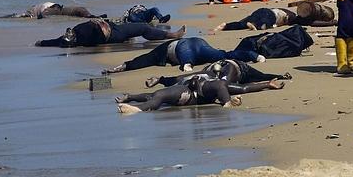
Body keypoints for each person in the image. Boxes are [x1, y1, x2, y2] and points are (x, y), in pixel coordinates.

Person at [116, 75, 284, 113]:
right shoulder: (218, 83)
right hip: (188, 96)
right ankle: (132, 103)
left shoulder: (216, 82)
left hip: (188, 92)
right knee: (156, 96)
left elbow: (243, 88)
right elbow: (245, 88)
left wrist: (267, 84)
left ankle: (135, 109)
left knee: (159, 96)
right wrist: (131, 95)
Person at [103, 37, 265, 73]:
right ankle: (252, 55)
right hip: (198, 43)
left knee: (188, 56)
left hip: (182, 46)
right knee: (222, 54)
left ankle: (187, 64)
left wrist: (122, 67)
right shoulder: (162, 50)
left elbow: (142, 60)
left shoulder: (159, 51)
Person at [36, 19, 185, 48]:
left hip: (112, 28)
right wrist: (97, 24)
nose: (69, 34)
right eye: (70, 37)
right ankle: (172, 36)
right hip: (114, 32)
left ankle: (127, 39)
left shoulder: (70, 36)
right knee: (143, 28)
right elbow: (98, 34)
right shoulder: (84, 38)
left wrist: (41, 42)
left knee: (133, 30)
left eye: (68, 34)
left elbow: (54, 41)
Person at [145, 59, 292, 88]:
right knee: (224, 83)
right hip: (231, 66)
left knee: (187, 77)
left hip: (222, 66)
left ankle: (161, 79)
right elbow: (244, 88)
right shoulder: (210, 82)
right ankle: (161, 80)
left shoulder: (208, 80)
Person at [214, 4, 336, 31]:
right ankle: (255, 25)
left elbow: (312, 22)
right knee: (263, 24)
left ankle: (225, 26)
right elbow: (313, 23)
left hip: (262, 10)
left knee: (246, 22)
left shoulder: (292, 14)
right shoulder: (293, 17)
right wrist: (334, 23)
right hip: (270, 14)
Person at [0, 2, 106, 19]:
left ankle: (91, 16)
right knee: (79, 9)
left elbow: (19, 15)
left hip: (53, 8)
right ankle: (91, 16)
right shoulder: (32, 10)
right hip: (57, 8)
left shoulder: (31, 10)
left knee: (79, 10)